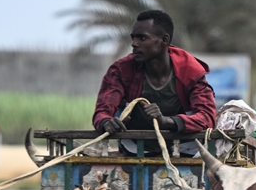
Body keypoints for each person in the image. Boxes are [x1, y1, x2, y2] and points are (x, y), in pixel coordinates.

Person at [93, 10, 217, 156]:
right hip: (136, 149)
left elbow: (207, 117)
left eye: (142, 38)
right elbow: (102, 111)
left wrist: (166, 121)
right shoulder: (121, 70)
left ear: (164, 40)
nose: (134, 44)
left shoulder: (191, 71)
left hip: (183, 150)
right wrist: (106, 122)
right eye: (133, 38)